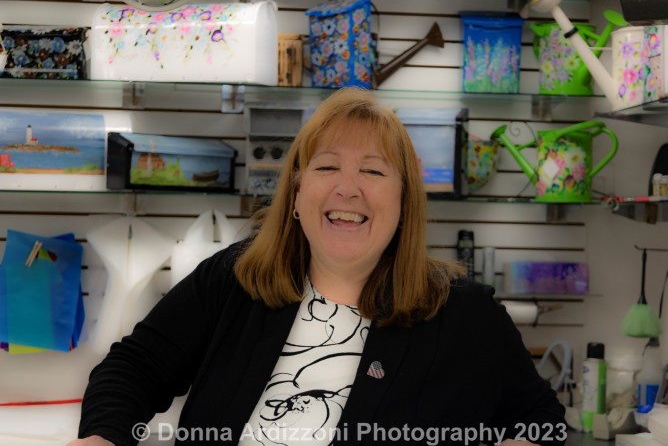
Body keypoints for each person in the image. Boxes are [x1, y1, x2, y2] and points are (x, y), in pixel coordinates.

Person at [69, 87, 565, 446]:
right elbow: (134, 368)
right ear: (296, 195)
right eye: (327, 167)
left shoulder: (464, 315)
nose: (348, 188)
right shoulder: (234, 279)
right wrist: (102, 438)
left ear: (403, 203)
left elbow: (541, 421)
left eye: (372, 170)